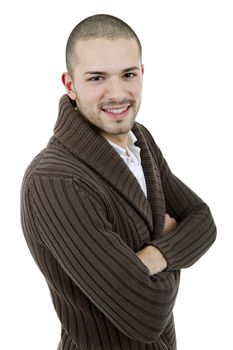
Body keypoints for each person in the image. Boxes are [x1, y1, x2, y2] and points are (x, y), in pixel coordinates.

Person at [20, 14, 216, 350]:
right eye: (97, 78)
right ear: (70, 85)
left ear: (143, 74)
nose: (117, 93)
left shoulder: (140, 139)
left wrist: (155, 257)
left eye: (128, 75)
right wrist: (175, 244)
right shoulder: (54, 180)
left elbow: (203, 220)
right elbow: (146, 315)